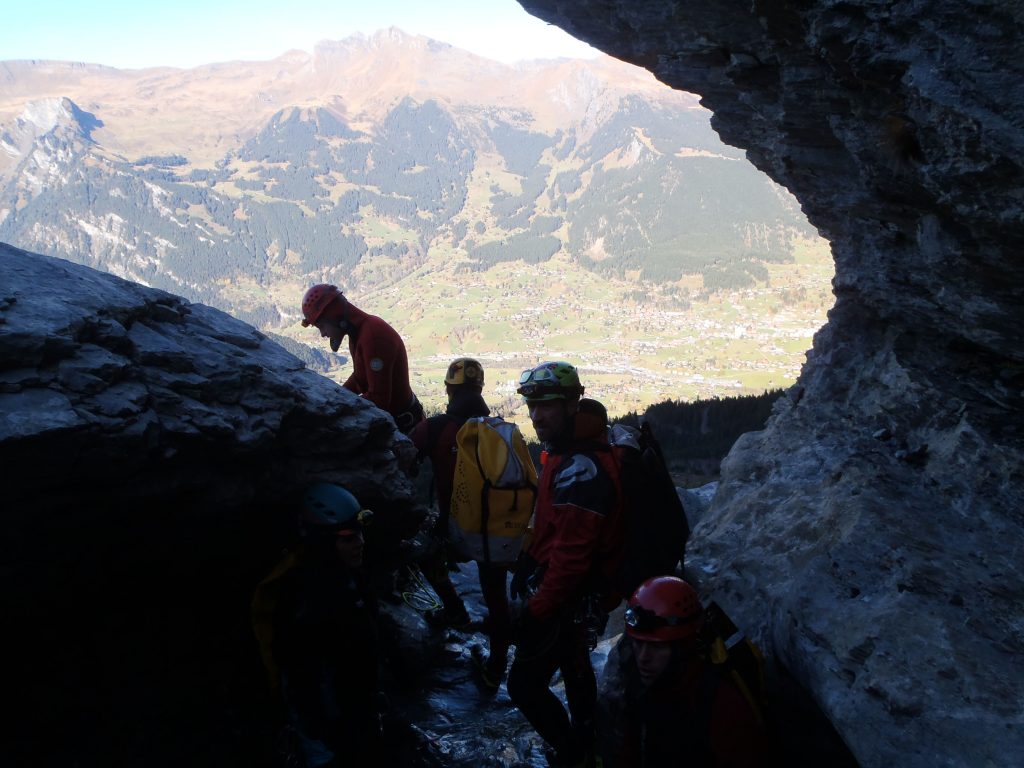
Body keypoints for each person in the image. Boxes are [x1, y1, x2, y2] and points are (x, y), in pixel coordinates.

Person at [507, 361, 625, 767]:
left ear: (573, 404)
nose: (537, 416)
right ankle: (588, 738)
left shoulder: (580, 468)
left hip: (569, 597)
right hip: (574, 595)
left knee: (524, 685)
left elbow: (573, 559)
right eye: (532, 406)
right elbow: (553, 528)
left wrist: (535, 611)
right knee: (575, 665)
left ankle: (574, 754)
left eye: (548, 406)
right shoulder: (563, 452)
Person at [409, 357, 515, 691]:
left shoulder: (437, 427)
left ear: (448, 389)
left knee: (421, 550)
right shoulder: (498, 430)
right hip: (495, 531)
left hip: (455, 529)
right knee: (495, 597)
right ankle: (495, 668)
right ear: (480, 389)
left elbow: (402, 456)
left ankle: (454, 609)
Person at [262, 483, 381, 767]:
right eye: (349, 538)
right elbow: (302, 674)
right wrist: (320, 729)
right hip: (328, 723)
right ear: (323, 542)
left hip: (350, 707)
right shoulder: (306, 600)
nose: (360, 542)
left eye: (360, 534)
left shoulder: (348, 578)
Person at [618, 576, 767, 768]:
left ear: (682, 648)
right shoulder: (641, 686)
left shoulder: (723, 706)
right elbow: (631, 751)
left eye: (656, 648)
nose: (643, 657)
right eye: (638, 644)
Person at [301, 283, 424, 433]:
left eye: (322, 326)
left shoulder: (373, 337)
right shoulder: (358, 333)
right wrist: (336, 395)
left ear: (334, 316)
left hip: (406, 430)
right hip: (400, 423)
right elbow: (360, 379)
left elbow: (379, 399)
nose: (323, 334)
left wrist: (337, 407)